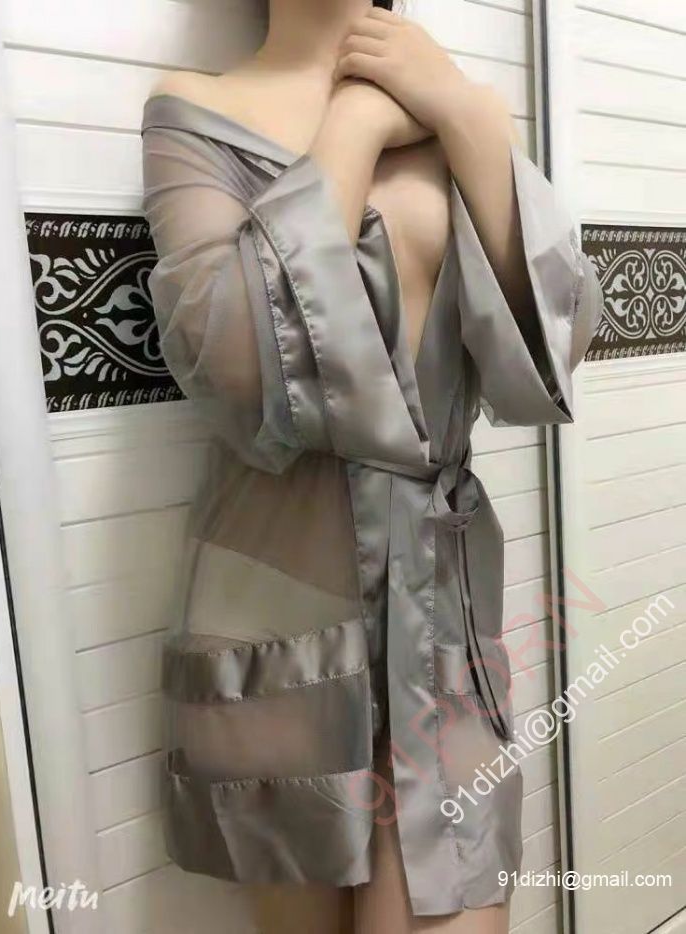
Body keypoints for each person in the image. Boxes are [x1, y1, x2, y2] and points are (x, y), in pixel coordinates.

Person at [140, 1, 604, 931]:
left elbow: (562, 337)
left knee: (459, 896)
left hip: (439, 616)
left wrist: (462, 112)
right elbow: (235, 364)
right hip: (280, 621)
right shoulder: (195, 110)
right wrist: (353, 120)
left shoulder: (452, 106)